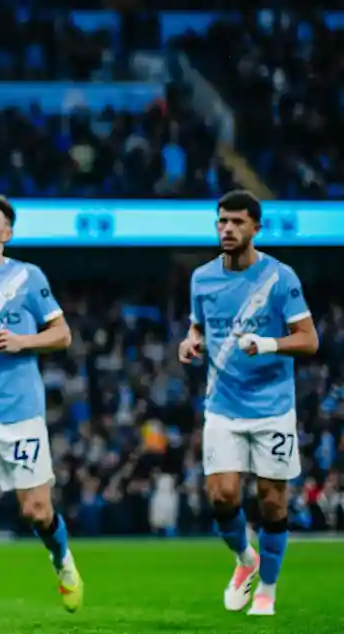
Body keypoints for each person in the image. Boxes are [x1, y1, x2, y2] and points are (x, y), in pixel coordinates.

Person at [178, 189, 318, 617]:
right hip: (222, 405)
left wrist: (269, 343)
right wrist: (191, 341)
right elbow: (198, 327)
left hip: (272, 408)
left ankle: (267, 591)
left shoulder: (280, 278)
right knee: (222, 496)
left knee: (272, 501)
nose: (227, 229)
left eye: (237, 222)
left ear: (256, 228)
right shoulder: (202, 278)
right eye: (222, 221)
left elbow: (309, 340)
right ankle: (245, 559)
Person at [0, 193, 82, 625]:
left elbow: (62, 334)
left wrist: (24, 341)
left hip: (19, 413)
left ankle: (61, 557)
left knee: (35, 512)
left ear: (6, 232)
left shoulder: (26, 277)